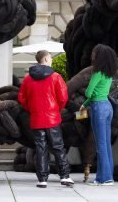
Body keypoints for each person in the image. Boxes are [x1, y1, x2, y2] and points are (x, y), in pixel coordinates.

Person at [17, 50, 74, 188]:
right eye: (50, 58)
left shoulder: (27, 79)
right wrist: (55, 109)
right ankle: (64, 176)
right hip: (52, 118)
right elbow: (63, 98)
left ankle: (42, 179)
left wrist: (32, 109)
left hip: (36, 118)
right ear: (46, 59)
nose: (52, 61)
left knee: (40, 148)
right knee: (58, 147)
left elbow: (22, 98)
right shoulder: (55, 77)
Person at [80, 44, 117, 186]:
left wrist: (87, 99)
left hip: (99, 109)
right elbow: (100, 94)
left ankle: (105, 178)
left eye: (94, 53)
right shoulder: (108, 74)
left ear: (99, 56)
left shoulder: (97, 73)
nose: (92, 55)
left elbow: (89, 93)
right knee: (106, 143)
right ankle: (105, 177)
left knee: (100, 144)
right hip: (107, 107)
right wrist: (86, 104)